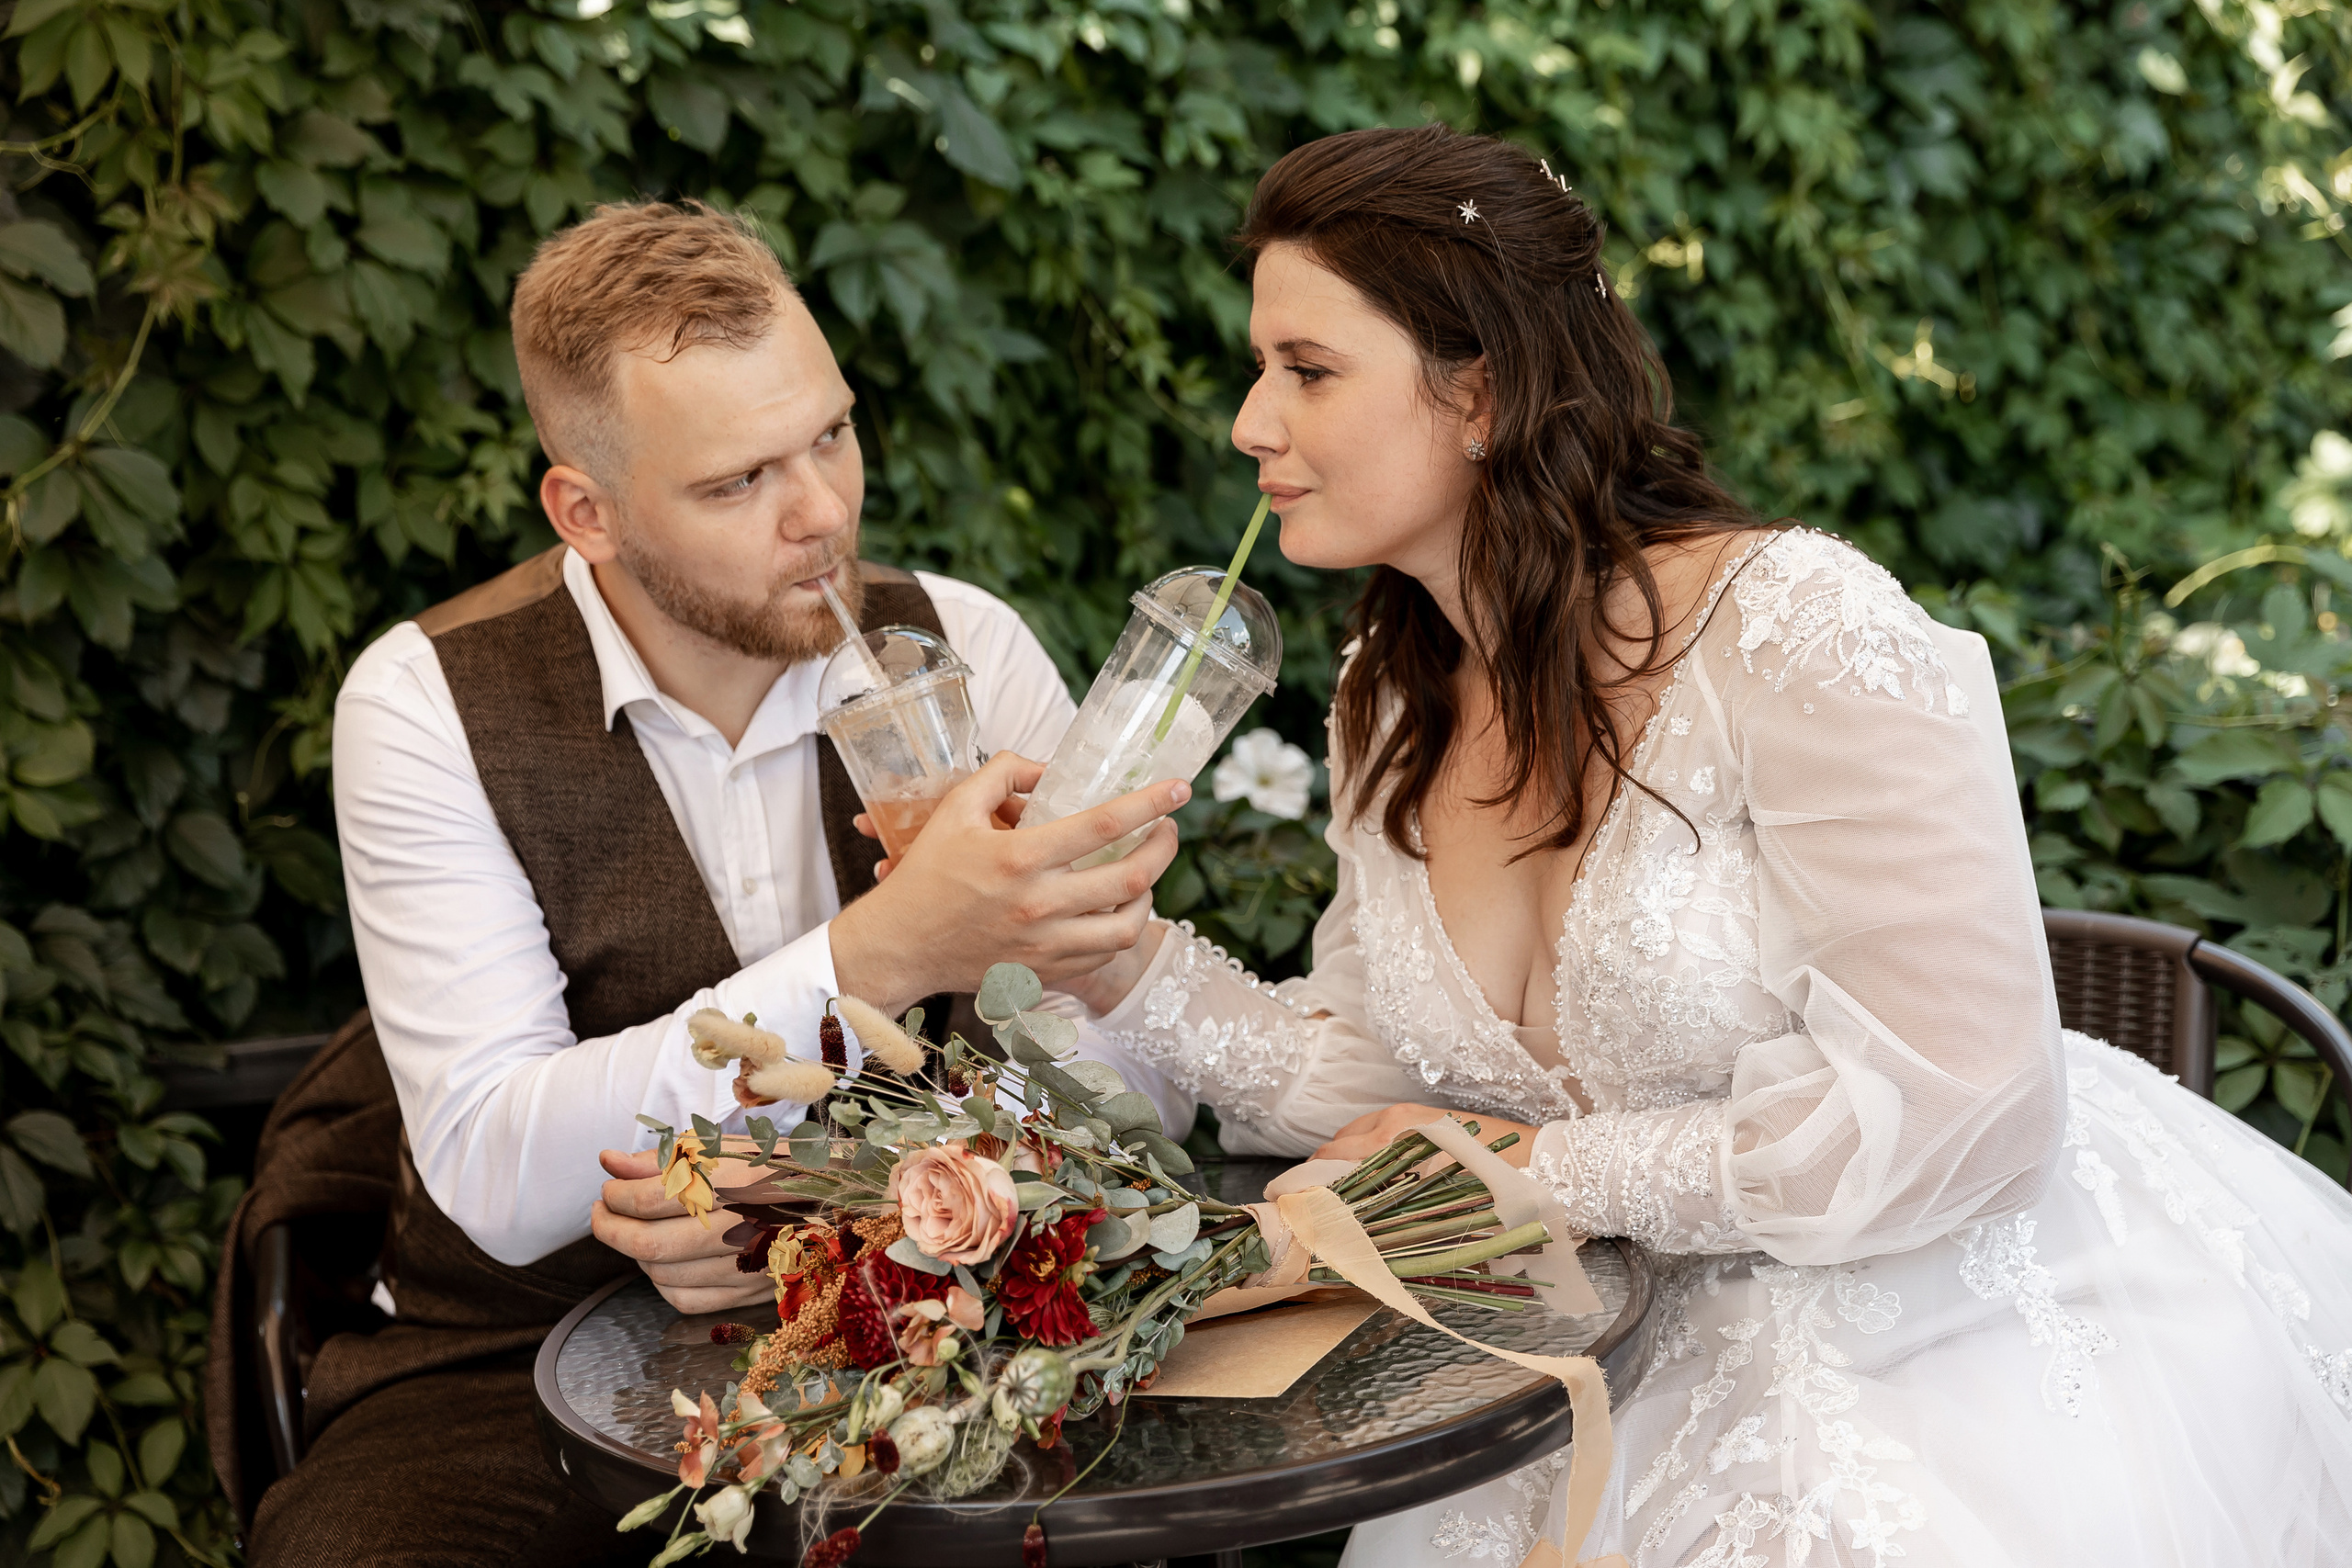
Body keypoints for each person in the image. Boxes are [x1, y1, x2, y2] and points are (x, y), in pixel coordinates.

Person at [1064, 125, 2352, 1567]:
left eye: (1306, 369)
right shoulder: (1387, 696)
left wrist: (1548, 1174)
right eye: (1263, 369)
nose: (1251, 421)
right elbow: (1388, 1086)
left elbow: (1972, 1108)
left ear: (1478, 389)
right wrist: (1104, 953)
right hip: (1575, 1347)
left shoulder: (1799, 631)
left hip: (1934, 1315)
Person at [248, 200, 1189, 1565]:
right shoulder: (425, 701)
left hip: (940, 1326)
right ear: (589, 513)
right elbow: (499, 1167)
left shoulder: (963, 647)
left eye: (831, 434)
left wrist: (863, 1191)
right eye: (738, 482)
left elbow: (1149, 1106)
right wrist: (881, 952)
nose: (822, 513)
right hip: (509, 1365)